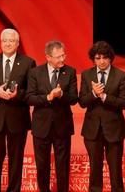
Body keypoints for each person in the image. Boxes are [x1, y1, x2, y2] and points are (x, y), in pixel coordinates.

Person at [0, 28, 36, 192]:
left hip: (18, 118)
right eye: (5, 40)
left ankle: (14, 189)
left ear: (17, 43)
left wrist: (17, 95)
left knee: (16, 160)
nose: (8, 43)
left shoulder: (28, 62)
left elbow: (31, 91)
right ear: (0, 43)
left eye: (11, 41)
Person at [26, 41, 78, 192]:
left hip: (62, 126)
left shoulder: (70, 71)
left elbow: (74, 98)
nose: (63, 59)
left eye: (63, 55)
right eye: (58, 56)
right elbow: (29, 98)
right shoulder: (35, 73)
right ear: (48, 57)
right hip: (41, 126)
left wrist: (61, 94)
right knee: (42, 166)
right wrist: (48, 97)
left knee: (62, 165)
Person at [78, 41, 125, 192]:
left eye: (105, 58)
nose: (101, 61)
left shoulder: (121, 75)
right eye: (98, 58)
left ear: (110, 58)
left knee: (115, 170)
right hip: (92, 130)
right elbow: (82, 102)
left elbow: (124, 103)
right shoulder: (87, 75)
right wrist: (94, 94)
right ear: (93, 59)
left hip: (114, 130)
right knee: (95, 168)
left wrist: (105, 96)